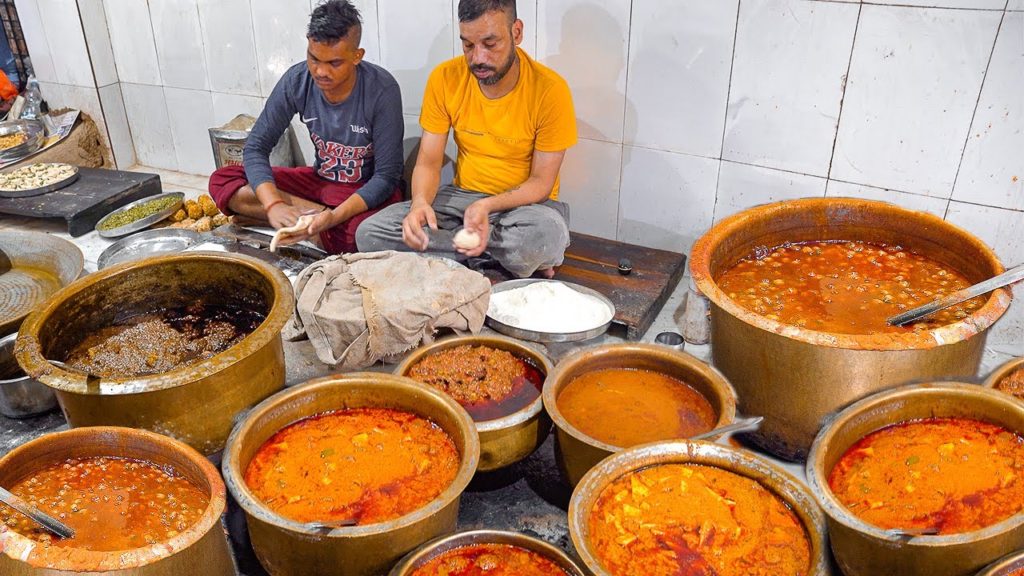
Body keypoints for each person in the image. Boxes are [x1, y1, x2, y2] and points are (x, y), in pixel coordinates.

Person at [355, 0, 577, 278]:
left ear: (516, 32)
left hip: (526, 209)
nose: (478, 58)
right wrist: (420, 203)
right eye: (468, 45)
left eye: (490, 44)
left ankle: (456, 255)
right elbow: (428, 162)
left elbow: (541, 183)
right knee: (370, 233)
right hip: (461, 200)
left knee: (545, 235)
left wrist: (486, 206)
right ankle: (492, 257)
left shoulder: (550, 90)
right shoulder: (445, 78)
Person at [208, 0, 403, 253]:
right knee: (223, 179)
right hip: (319, 185)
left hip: (362, 192)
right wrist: (273, 205)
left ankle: (301, 223)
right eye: (314, 58)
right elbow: (256, 147)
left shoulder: (382, 90)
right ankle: (309, 224)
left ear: (357, 56)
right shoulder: (297, 80)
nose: (320, 71)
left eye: (334, 63)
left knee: (364, 235)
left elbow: (386, 177)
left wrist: (334, 217)